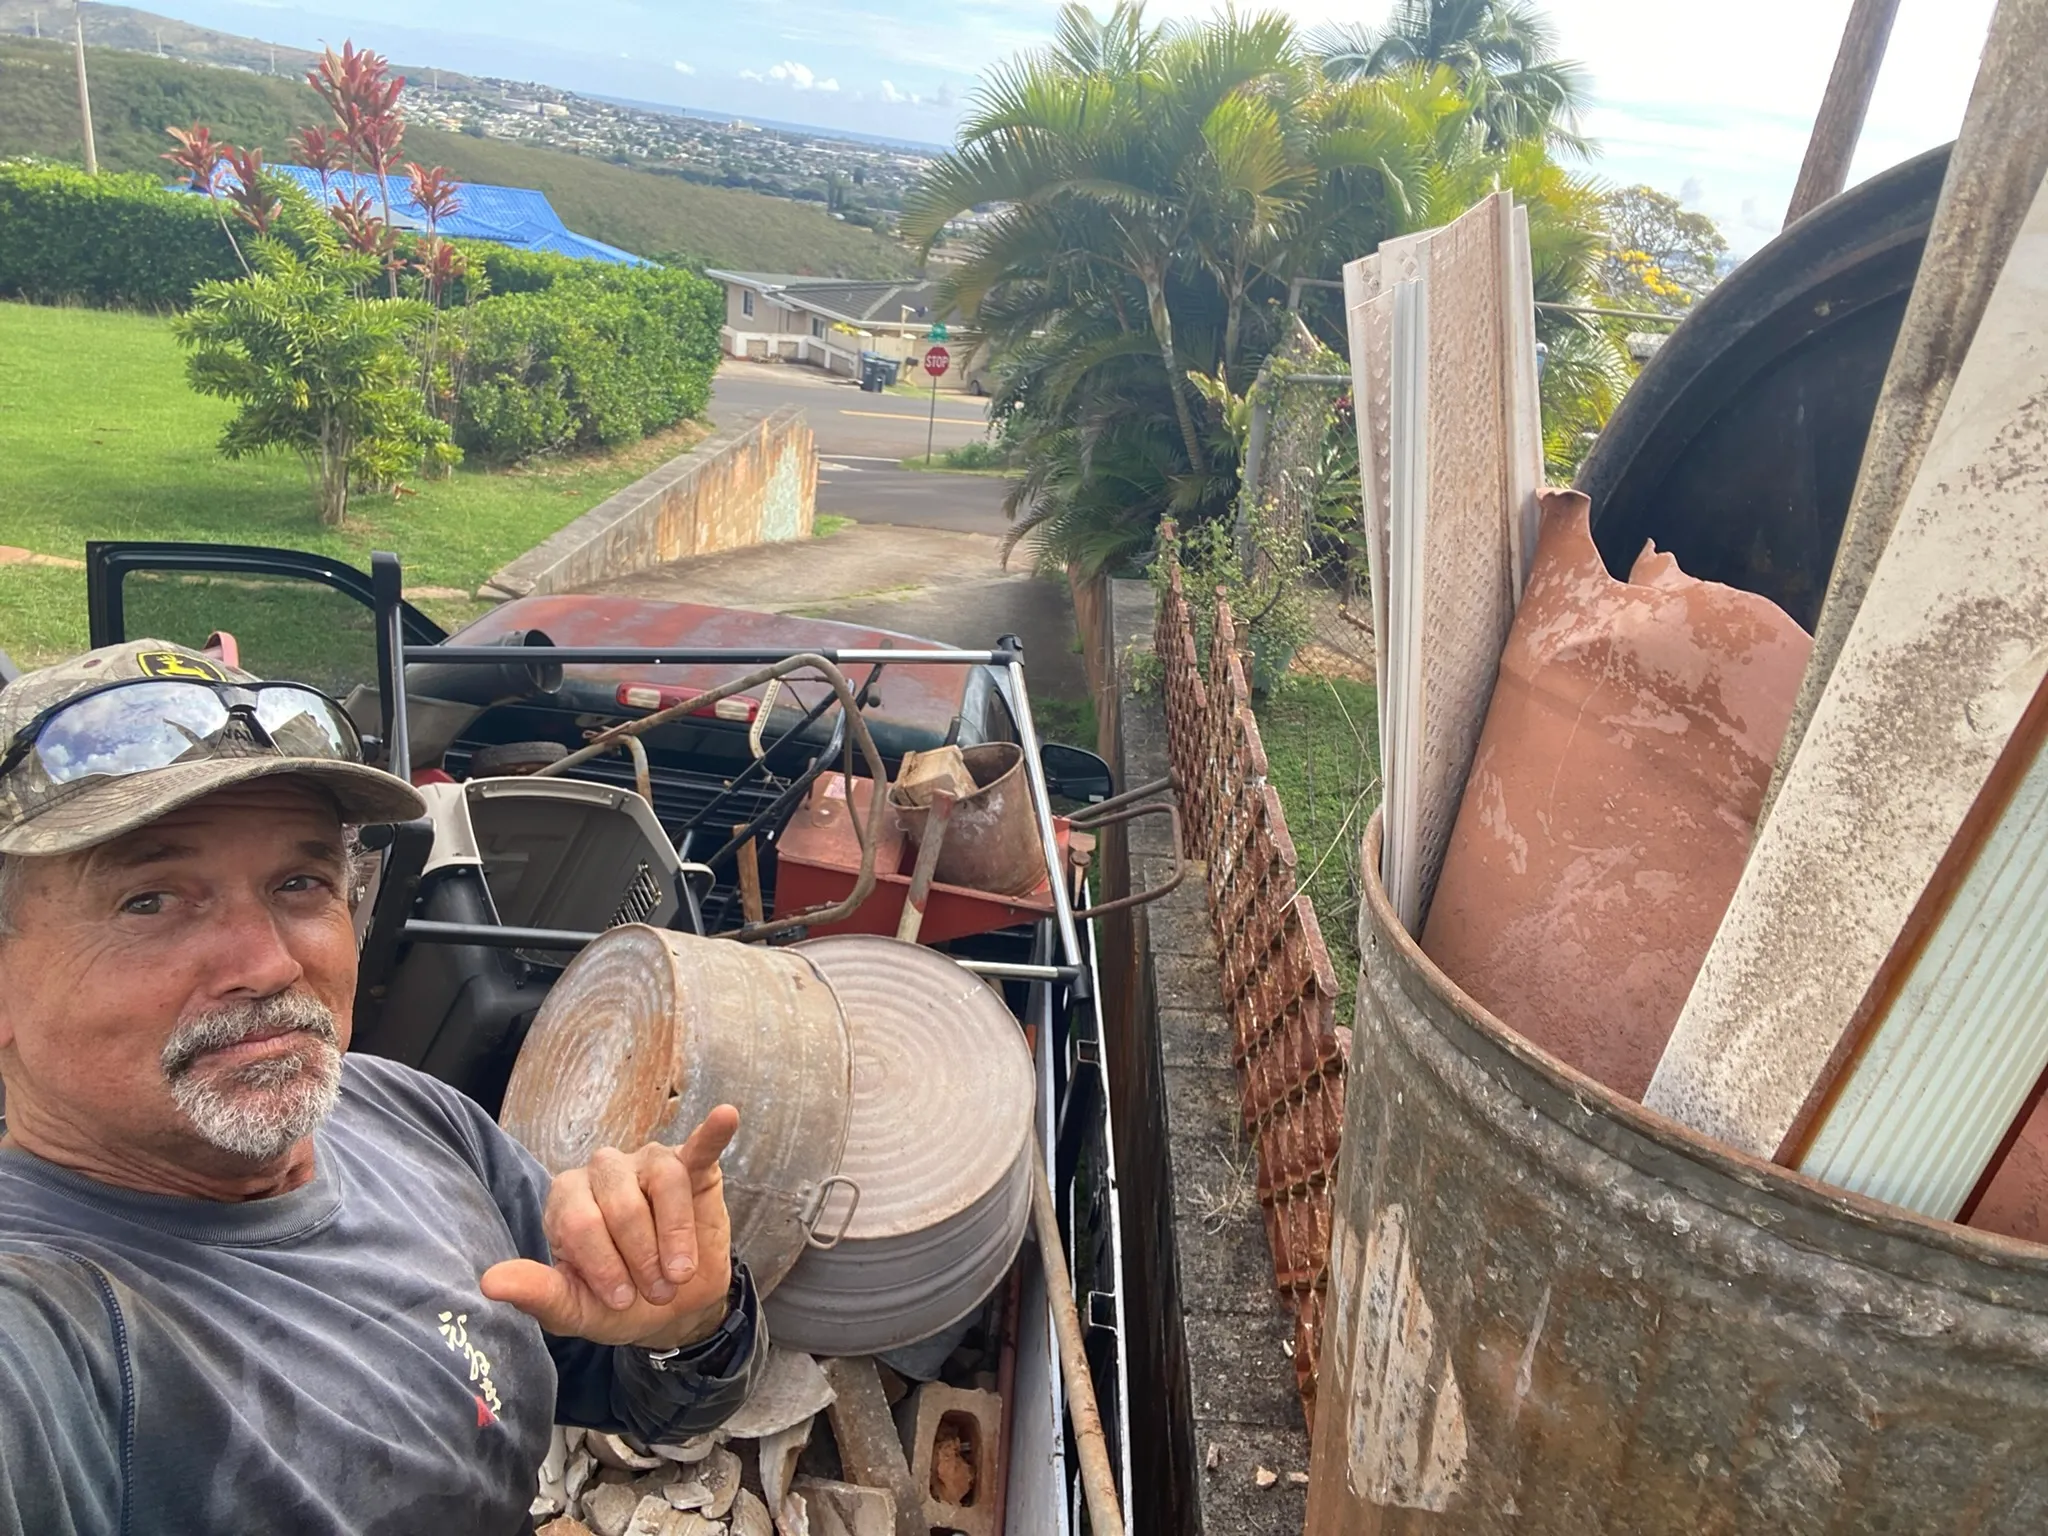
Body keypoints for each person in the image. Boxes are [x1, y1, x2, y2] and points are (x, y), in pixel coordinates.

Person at [0, 641, 762, 1534]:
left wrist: (690, 1326)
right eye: (152, 901)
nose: (269, 962)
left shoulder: (403, 1109)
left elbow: (621, 1384)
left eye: (301, 882)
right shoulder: (41, 1333)